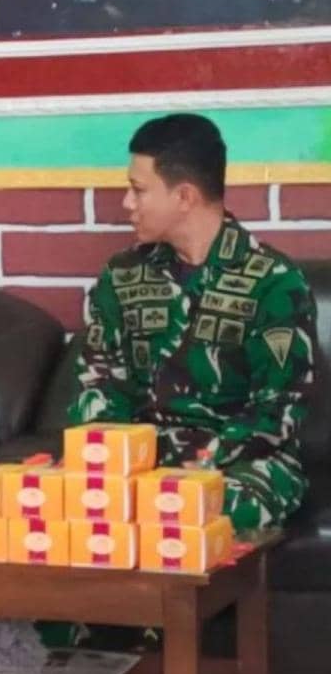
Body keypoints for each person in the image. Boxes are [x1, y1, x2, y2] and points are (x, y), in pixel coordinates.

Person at [69, 113, 316, 531]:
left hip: (241, 464)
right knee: (66, 501)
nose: (127, 203)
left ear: (184, 196)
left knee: (195, 506)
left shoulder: (272, 281)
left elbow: (279, 408)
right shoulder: (123, 276)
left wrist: (196, 464)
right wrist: (109, 461)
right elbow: (100, 381)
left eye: (138, 190)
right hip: (141, 462)